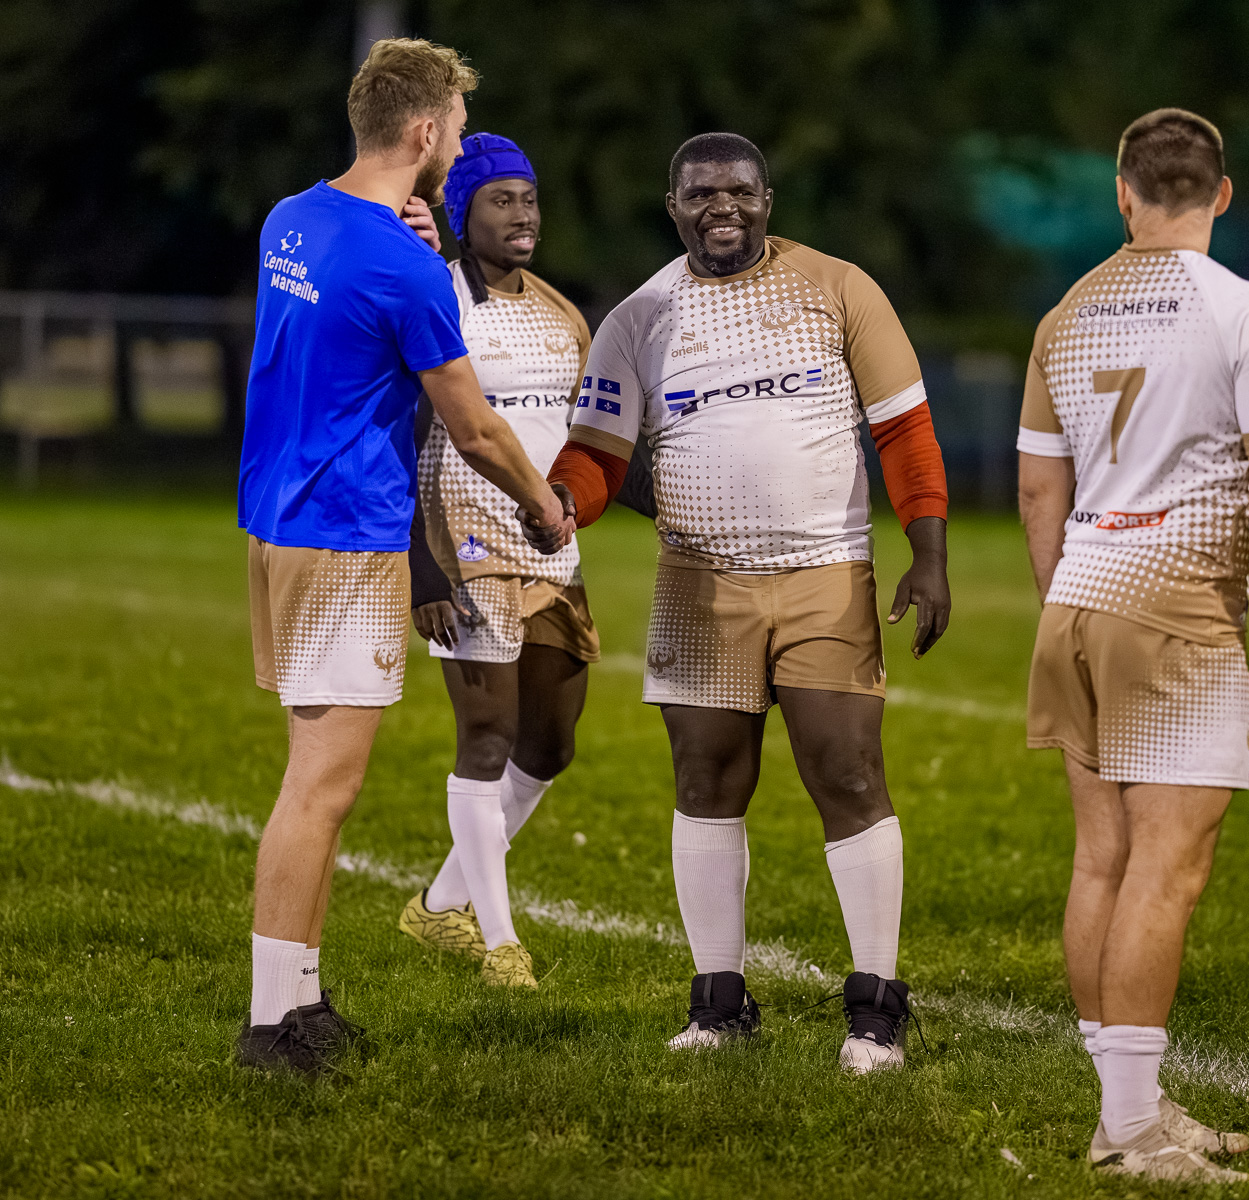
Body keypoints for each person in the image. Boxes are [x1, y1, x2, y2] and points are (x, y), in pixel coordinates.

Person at [539, 132, 950, 1073]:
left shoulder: (839, 287)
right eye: (699, 195)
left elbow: (906, 432)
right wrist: (564, 505)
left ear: (769, 199)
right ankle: (719, 1004)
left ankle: (876, 1010)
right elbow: (597, 456)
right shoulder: (639, 318)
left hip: (825, 569)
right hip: (697, 580)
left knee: (846, 772)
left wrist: (927, 556)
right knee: (706, 781)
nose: (721, 208)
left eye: (739, 192)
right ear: (672, 205)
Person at [235, 39, 573, 1072]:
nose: (459, 147)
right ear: (424, 133)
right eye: (459, 131)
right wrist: (546, 510)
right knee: (321, 791)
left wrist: (414, 247)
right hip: (345, 533)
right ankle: (269, 1025)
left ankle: (301, 993)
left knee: (315, 780)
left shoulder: (293, 218)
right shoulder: (403, 266)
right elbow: (470, 427)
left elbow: (349, 311)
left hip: (280, 519)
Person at [1017, 108, 1249, 1183]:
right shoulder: (1243, 310)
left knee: (1101, 857)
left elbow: (1035, 484)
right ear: (1222, 193)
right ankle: (1132, 1131)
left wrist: (1068, 596)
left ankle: (1131, 1107)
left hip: (1081, 594)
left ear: (1122, 193)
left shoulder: (1067, 312)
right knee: (1167, 868)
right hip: (1178, 604)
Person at [393, 133, 597, 991]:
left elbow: (582, 431)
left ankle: (438, 905)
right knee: (487, 736)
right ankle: (500, 943)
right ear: (460, 212)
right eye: (499, 200)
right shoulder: (435, 297)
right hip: (460, 544)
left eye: (528, 198)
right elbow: (395, 435)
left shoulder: (559, 310)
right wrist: (421, 569)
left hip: (552, 545)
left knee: (550, 745)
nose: (523, 216)